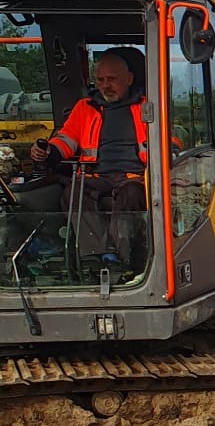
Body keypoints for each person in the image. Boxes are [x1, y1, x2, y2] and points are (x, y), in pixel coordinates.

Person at [30, 49, 151, 266]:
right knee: (72, 191)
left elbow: (171, 141)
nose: (105, 85)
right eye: (100, 80)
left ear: (130, 79)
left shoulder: (148, 107)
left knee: (131, 193)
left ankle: (124, 260)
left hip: (134, 177)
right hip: (95, 175)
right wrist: (49, 151)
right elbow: (66, 140)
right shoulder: (84, 108)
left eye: (112, 79)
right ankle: (98, 255)